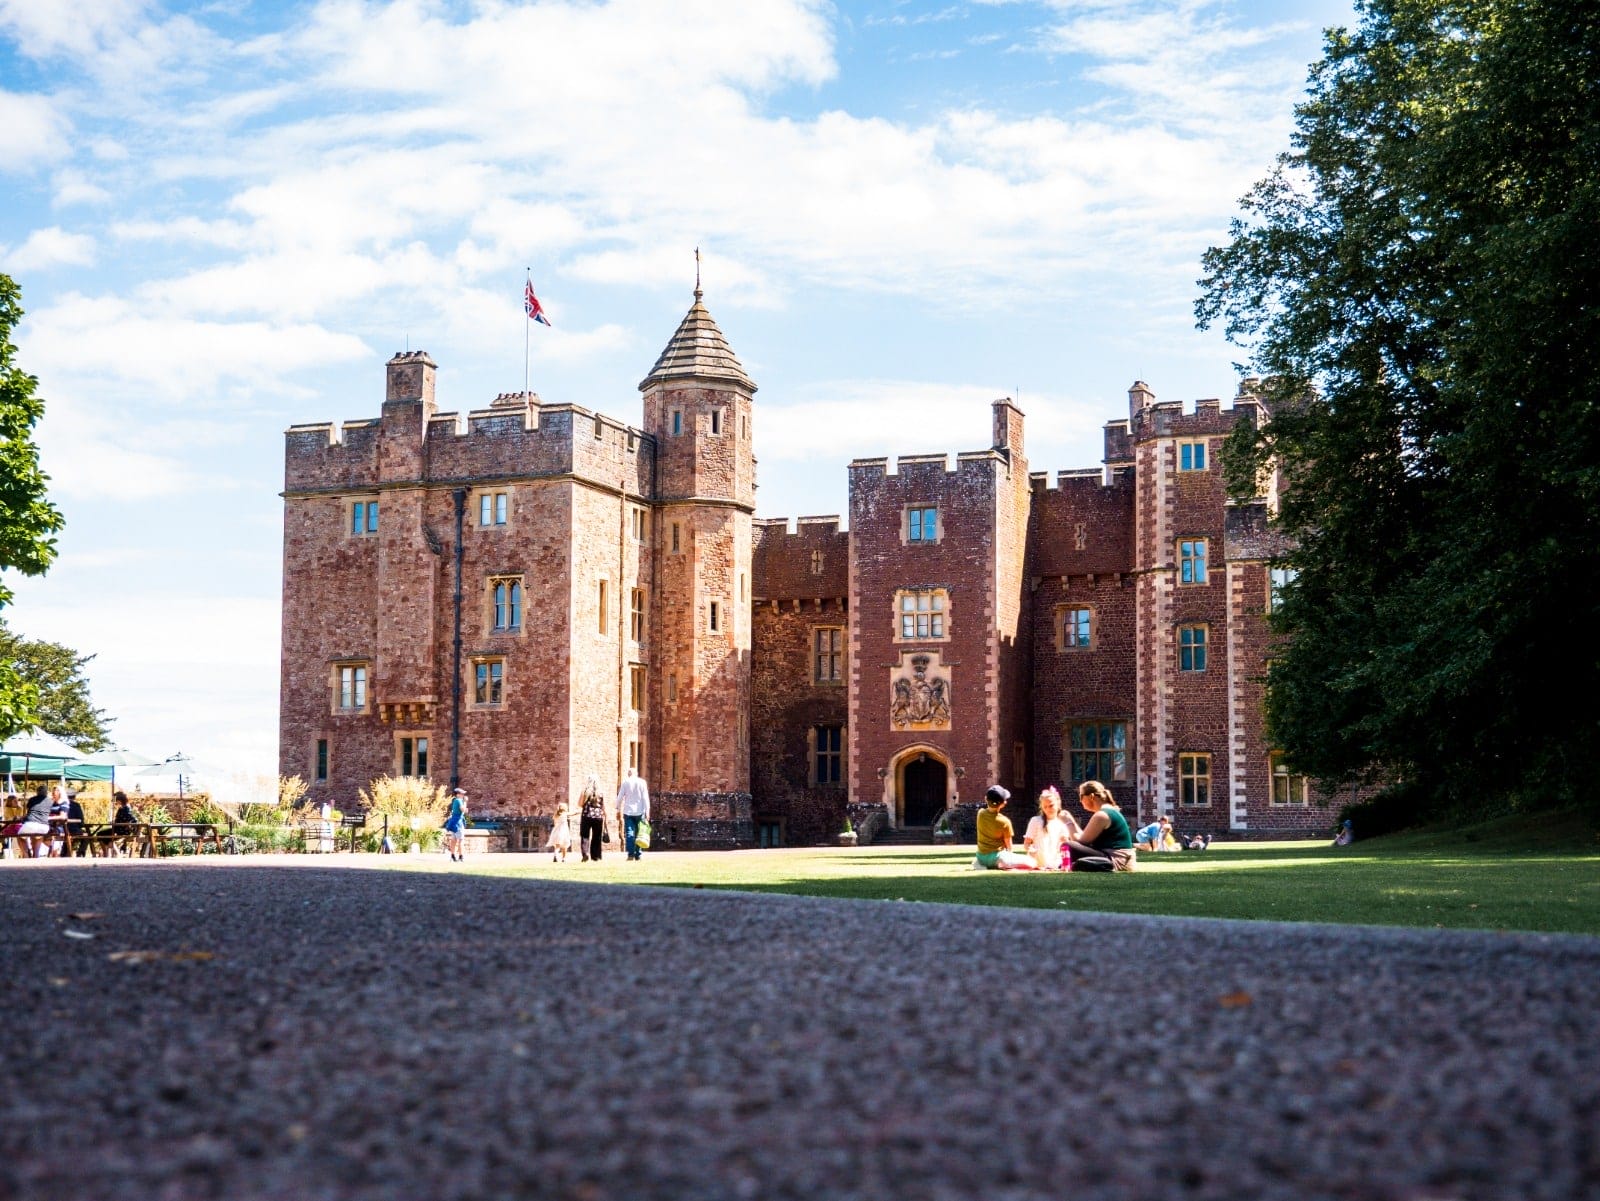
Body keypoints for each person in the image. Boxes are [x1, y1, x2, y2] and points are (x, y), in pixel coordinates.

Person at [1063, 780, 1136, 872]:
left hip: (1115, 860)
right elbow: (1085, 837)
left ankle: (1083, 865)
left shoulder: (1101, 815)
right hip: (1118, 858)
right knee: (1072, 850)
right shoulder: (1108, 811)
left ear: (1091, 797)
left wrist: (1068, 822)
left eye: (1081, 796)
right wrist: (1072, 821)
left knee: (1068, 845)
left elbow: (1082, 842)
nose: (1080, 800)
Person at [973, 785, 1037, 870]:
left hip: (981, 857)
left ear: (986, 799)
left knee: (991, 859)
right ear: (1003, 804)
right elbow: (1009, 846)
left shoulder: (980, 814)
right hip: (998, 857)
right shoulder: (1005, 822)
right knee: (1033, 862)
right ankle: (1002, 864)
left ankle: (980, 863)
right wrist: (1011, 858)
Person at [1023, 786, 1074, 871]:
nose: (1048, 809)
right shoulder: (1036, 821)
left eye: (1051, 806)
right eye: (1045, 807)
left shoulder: (1062, 822)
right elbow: (1026, 844)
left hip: (1056, 862)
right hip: (1038, 861)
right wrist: (1031, 851)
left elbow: (1065, 846)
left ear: (1058, 804)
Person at [617, 766, 650, 861]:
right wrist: (647, 811)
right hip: (640, 811)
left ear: (628, 774)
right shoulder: (642, 782)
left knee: (629, 833)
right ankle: (638, 854)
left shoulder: (625, 782)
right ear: (636, 774)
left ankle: (630, 854)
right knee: (640, 834)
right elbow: (645, 798)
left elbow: (620, 797)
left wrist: (618, 809)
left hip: (628, 811)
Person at [579, 776, 607, 862]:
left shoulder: (585, 791)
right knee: (597, 837)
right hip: (598, 817)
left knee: (585, 836)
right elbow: (603, 806)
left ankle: (585, 853)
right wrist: (605, 816)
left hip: (586, 815)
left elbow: (580, 804)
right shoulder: (601, 793)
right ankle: (596, 856)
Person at [442, 788, 468, 862]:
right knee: (461, 840)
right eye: (462, 793)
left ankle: (452, 856)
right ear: (458, 794)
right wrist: (465, 802)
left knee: (454, 840)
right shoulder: (459, 800)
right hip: (458, 823)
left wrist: (464, 807)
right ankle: (461, 857)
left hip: (454, 822)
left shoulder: (455, 801)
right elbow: (463, 810)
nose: (463, 795)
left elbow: (463, 811)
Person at [110, 792, 139, 858]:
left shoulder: (126, 809)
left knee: (103, 835)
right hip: (118, 829)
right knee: (101, 835)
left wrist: (128, 826)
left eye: (116, 801)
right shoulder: (122, 808)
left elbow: (133, 820)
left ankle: (117, 854)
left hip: (122, 831)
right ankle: (108, 854)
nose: (115, 803)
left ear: (119, 800)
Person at [65, 792, 88, 857]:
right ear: (74, 797)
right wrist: (81, 825)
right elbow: (81, 819)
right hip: (73, 830)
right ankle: (80, 852)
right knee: (86, 836)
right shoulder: (76, 805)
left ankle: (65, 852)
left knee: (74, 836)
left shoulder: (60, 805)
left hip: (61, 830)